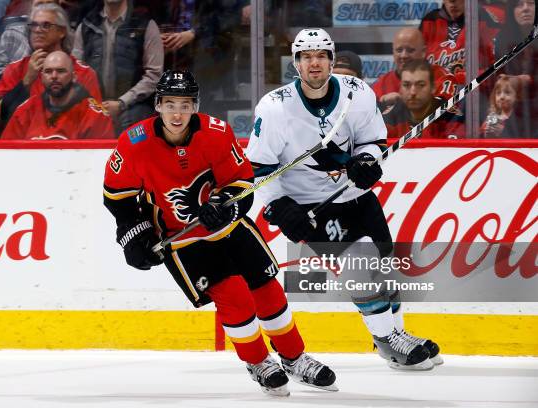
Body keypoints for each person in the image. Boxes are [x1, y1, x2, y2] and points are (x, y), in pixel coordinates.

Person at [102, 69, 337, 396]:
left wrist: (225, 203)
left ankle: (295, 358)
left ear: (195, 106)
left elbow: (242, 184)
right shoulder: (134, 143)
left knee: (268, 292)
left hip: (230, 227)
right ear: (157, 105)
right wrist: (133, 235)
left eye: (185, 105)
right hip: (182, 238)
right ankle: (258, 362)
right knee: (235, 297)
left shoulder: (216, 133)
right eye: (170, 104)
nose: (177, 113)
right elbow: (117, 198)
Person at [246, 28, 443, 371]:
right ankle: (387, 340)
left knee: (383, 266)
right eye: (306, 57)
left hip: (357, 196)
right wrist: (277, 205)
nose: (314, 63)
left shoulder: (358, 93)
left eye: (321, 55)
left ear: (332, 60)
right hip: (311, 206)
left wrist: (367, 161)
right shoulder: (275, 108)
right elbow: (259, 167)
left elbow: (373, 140)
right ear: (296, 63)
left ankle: (396, 335)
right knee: (360, 266)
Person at [0, 3, 102, 124]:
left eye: (46, 25)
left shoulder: (84, 73)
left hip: (69, 138)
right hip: (25, 139)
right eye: (34, 25)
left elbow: (94, 120)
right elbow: (3, 115)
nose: (37, 30)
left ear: (62, 31)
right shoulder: (15, 69)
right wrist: (27, 80)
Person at [72, 0, 164, 129]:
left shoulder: (145, 25)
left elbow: (154, 76)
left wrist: (122, 103)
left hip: (134, 107)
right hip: (93, 105)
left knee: (130, 129)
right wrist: (94, 104)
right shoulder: (87, 25)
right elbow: (76, 72)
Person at [2, 51, 115, 139]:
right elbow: (5, 154)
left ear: (74, 77)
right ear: (41, 77)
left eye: (61, 71)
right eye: (48, 71)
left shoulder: (94, 115)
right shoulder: (26, 110)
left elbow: (98, 161)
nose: (54, 76)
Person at [372, 28, 459, 111]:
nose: (404, 56)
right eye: (399, 50)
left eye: (410, 50)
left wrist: (402, 104)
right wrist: (381, 104)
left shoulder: (442, 77)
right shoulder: (381, 83)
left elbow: (446, 113)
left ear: (423, 52)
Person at [419, 0, 499, 84]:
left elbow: (496, 69)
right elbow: (414, 65)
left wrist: (461, 79)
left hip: (470, 91)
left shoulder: (483, 20)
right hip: (434, 91)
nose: (452, 1)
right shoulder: (429, 21)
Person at [384, 60, 465, 140]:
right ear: (400, 88)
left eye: (420, 85)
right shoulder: (389, 119)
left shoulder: (452, 118)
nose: (413, 92)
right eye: (406, 85)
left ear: (433, 88)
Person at [493, 0, 537, 138]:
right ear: (512, 11)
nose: (525, 9)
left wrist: (528, 80)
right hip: (512, 111)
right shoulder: (503, 38)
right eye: (519, 4)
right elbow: (498, 77)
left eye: (530, 3)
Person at [0, 0, 60, 80]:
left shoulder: (64, 34)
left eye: (49, 4)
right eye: (39, 4)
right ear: (30, 7)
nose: (43, 9)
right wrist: (25, 74)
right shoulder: (12, 33)